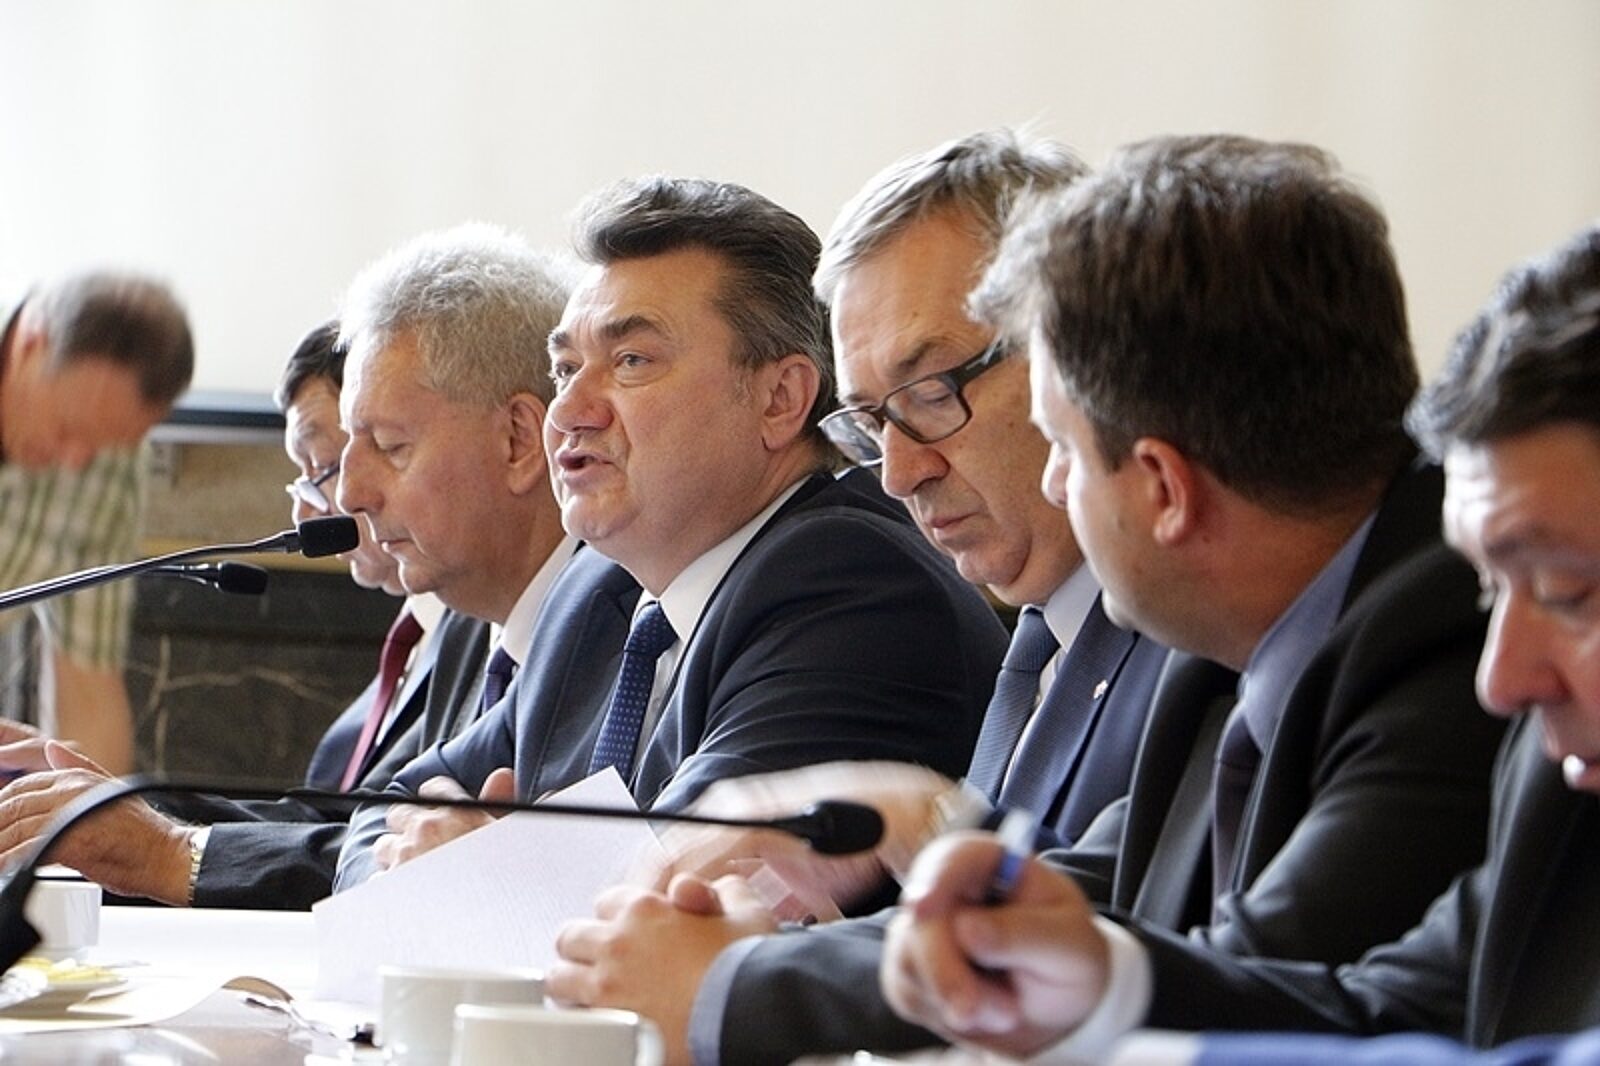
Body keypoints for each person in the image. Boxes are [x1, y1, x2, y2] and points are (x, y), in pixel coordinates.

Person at [876, 133, 1510, 1063]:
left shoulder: (1461, 644)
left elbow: (1285, 991)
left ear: (1166, 490)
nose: (1054, 485)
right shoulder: (1219, 656)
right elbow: (1098, 921)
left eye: (1064, 448)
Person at [541, 131, 1171, 1066]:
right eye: (873, 421)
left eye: (933, 392)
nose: (901, 472)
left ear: (1072, 369)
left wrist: (765, 977)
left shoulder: (859, 579)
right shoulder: (1049, 634)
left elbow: (1147, 945)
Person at [334, 176, 1009, 887]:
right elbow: (384, 810)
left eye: (631, 361)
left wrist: (473, 878)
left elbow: (678, 885)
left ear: (780, 400)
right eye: (565, 369)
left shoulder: (857, 589)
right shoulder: (593, 589)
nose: (569, 411)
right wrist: (430, 867)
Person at [0, 225, 575, 908]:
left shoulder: (605, 623)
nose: (348, 495)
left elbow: (388, 844)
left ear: (518, 440)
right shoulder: (469, 620)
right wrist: (111, 813)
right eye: (337, 460)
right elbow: (367, 827)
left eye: (389, 446)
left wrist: (158, 842)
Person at [0, 272, 193, 772]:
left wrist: (94, 808)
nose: (75, 461)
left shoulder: (109, 463)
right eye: (67, 427)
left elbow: (88, 686)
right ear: (29, 345)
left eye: (102, 443)